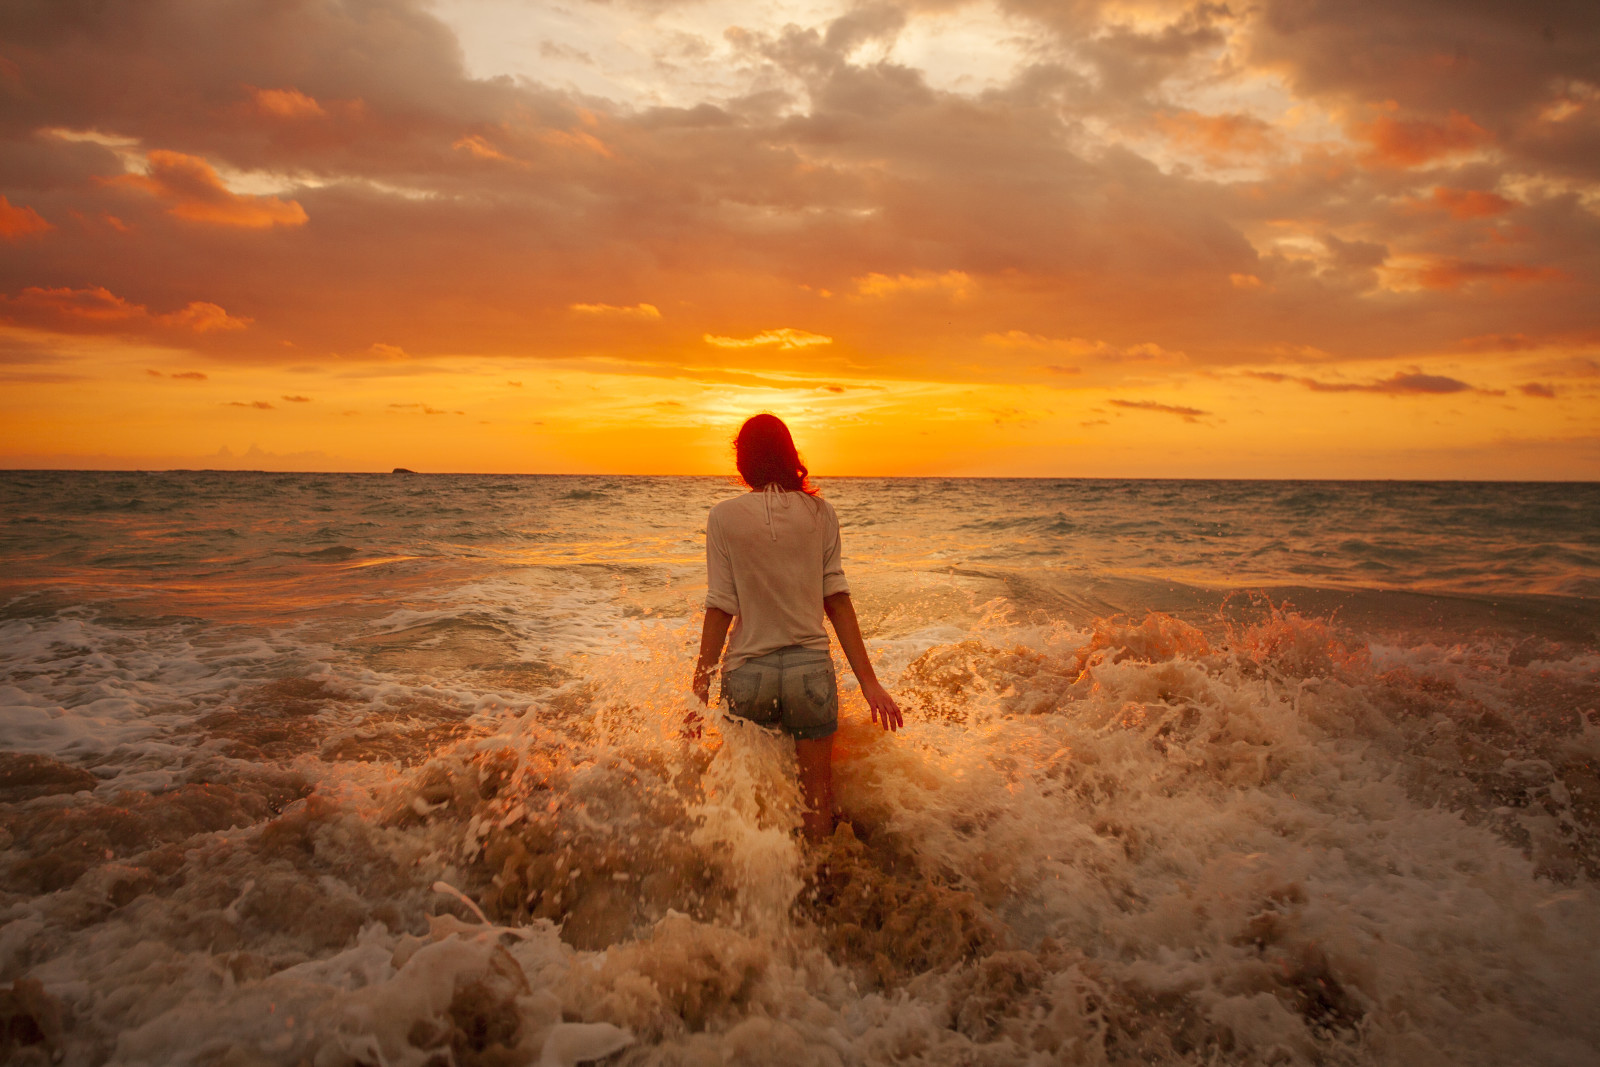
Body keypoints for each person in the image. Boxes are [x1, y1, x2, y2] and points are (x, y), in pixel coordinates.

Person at [691, 414, 904, 840]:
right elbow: (837, 599)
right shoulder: (820, 514)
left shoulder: (723, 517)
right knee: (817, 795)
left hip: (748, 674)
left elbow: (720, 608)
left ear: (743, 462)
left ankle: (757, 886)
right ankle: (819, 889)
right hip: (810, 675)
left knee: (748, 794)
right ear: (791, 456)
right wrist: (870, 683)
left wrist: (697, 692)